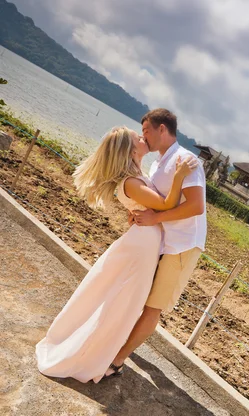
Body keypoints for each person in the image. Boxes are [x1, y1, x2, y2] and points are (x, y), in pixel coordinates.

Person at [36, 125, 198, 383]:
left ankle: (102, 350)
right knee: (121, 303)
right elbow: (167, 204)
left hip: (144, 246)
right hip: (141, 248)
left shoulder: (138, 175)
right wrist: (180, 176)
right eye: (138, 137)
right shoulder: (131, 182)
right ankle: (95, 352)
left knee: (122, 303)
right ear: (131, 149)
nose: (143, 137)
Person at [104, 108, 206, 377]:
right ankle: (118, 346)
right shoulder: (158, 163)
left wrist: (155, 217)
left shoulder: (186, 159)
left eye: (147, 130)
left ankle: (117, 360)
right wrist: (138, 210)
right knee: (139, 298)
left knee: (152, 307)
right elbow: (154, 198)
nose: (143, 136)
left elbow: (196, 206)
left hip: (181, 245)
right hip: (160, 242)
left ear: (162, 129)